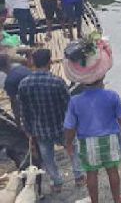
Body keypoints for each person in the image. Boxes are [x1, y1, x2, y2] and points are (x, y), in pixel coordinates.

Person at [18, 49, 85, 193]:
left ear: (33, 63)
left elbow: (24, 111)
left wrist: (28, 130)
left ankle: (57, 182)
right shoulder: (57, 82)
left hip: (40, 129)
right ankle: (79, 177)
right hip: (61, 126)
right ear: (49, 62)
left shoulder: (24, 84)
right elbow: (69, 106)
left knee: (48, 157)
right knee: (72, 149)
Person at [64, 78, 121, 203]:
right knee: (112, 171)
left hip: (87, 142)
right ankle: (117, 200)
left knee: (91, 173)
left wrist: (68, 143)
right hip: (110, 139)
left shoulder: (75, 101)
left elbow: (70, 126)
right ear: (102, 77)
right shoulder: (112, 96)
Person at [3, 54, 32, 127]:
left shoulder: (9, 81)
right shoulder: (21, 68)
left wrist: (17, 122)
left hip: (31, 105)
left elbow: (14, 103)